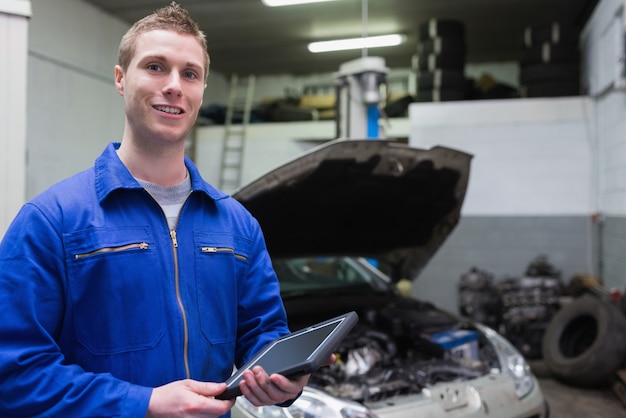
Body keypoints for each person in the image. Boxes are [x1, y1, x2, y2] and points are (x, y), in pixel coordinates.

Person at [0, 2, 315, 417]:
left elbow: (264, 334)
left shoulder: (237, 226)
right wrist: (142, 403)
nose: (174, 86)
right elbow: (15, 373)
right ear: (120, 78)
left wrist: (282, 379)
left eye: (190, 74)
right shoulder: (52, 221)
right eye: (154, 67)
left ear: (202, 90)